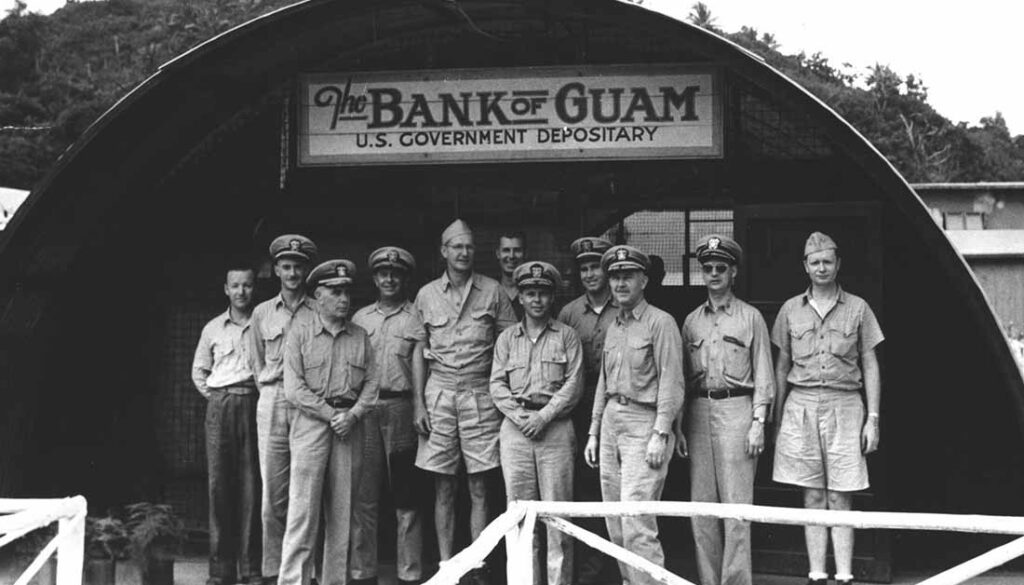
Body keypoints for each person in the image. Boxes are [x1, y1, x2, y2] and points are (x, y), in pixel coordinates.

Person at [771, 232, 884, 585]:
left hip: (845, 405)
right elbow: (781, 365)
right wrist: (777, 419)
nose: (821, 268)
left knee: (840, 495)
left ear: (838, 265)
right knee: (812, 494)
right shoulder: (790, 309)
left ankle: (845, 575)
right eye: (815, 262)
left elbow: (870, 363)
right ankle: (817, 575)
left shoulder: (858, 308)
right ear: (805, 266)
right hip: (801, 404)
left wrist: (873, 418)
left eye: (827, 262)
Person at [414, 219, 516, 585]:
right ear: (444, 251)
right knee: (443, 485)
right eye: (457, 246)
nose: (464, 253)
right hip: (439, 396)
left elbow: (509, 345)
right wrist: (417, 404)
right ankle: (446, 565)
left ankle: (478, 564)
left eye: (469, 247)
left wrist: (504, 396)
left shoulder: (493, 292)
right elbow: (417, 351)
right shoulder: (426, 295)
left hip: (480, 396)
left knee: (479, 486)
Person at [583, 245, 684, 585]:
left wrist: (661, 432)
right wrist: (594, 431)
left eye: (628, 276)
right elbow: (604, 382)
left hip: (645, 423)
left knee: (637, 521)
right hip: (612, 422)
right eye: (614, 277)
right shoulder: (614, 325)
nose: (620, 283)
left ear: (644, 280)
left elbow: (672, 381)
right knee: (615, 519)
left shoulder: (660, 322)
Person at [676, 235, 774, 585]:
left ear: (733, 272)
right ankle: (709, 580)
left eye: (721, 267)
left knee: (736, 507)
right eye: (708, 268)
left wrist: (759, 421)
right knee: (701, 507)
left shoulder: (751, 317)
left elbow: (764, 373)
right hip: (699, 411)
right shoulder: (691, 321)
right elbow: (680, 379)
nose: (714, 274)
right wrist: (678, 427)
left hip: (737, 411)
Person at [278, 259, 379, 585]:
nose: (344, 299)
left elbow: (372, 385)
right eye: (335, 292)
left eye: (347, 292)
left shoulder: (360, 336)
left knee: (342, 514)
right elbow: (294, 389)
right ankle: (293, 581)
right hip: (311, 426)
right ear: (318, 296)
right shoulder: (299, 334)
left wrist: (353, 415)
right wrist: (330, 414)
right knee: (302, 512)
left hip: (349, 428)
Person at [490, 261, 583, 585]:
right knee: (519, 516)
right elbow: (496, 384)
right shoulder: (506, 339)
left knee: (557, 517)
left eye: (543, 293)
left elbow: (574, 385)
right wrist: (521, 418)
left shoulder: (567, 336)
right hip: (516, 432)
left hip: (555, 429)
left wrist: (543, 417)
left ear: (552, 297)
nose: (537, 300)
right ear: (520, 297)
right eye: (530, 293)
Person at [350, 247, 427, 585]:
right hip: (366, 410)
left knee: (406, 496)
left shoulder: (415, 318)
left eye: (396, 274)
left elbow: (422, 366)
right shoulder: (360, 318)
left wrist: (420, 406)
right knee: (363, 495)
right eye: (384, 273)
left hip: (402, 409)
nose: (390, 279)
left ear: (404, 278)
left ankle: (409, 573)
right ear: (375, 278)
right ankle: (362, 572)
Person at [248, 234, 318, 584]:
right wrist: (274, 391)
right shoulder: (262, 313)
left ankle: (304, 573)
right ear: (276, 269)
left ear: (306, 270)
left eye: (298, 267)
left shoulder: (319, 309)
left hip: (309, 404)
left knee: (305, 494)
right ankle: (272, 571)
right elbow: (256, 362)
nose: (292, 273)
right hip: (274, 399)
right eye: (286, 266)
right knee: (272, 497)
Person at [192, 266, 262, 585]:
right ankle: (221, 571)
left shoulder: (263, 324)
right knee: (219, 487)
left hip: (253, 404)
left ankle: (250, 569)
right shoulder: (212, 329)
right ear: (226, 289)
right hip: (221, 405)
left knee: (251, 486)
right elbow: (199, 371)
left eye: (247, 285)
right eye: (235, 285)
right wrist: (219, 399)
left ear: (253, 288)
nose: (241, 291)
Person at [556, 236, 618, 585]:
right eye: (584, 269)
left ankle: (617, 568)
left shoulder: (623, 306)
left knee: (616, 486)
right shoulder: (569, 313)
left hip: (616, 406)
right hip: (580, 408)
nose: (590, 274)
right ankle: (591, 571)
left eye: (596, 267)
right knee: (585, 488)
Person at [496, 231, 527, 320]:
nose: (511, 256)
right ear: (498, 254)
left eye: (517, 250)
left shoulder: (533, 293)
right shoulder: (490, 291)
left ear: (525, 254)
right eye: (506, 250)